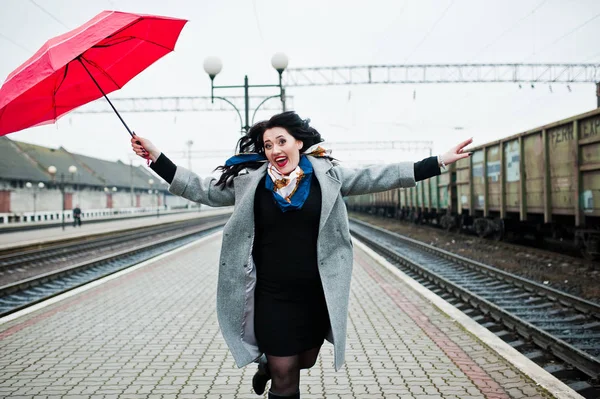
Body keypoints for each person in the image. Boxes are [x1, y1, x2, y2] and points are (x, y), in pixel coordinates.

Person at [131, 111, 472, 399]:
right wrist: (156, 157)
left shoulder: (328, 176)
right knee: (285, 372)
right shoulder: (250, 181)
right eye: (267, 145)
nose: (274, 149)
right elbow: (201, 189)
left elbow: (377, 176)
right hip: (270, 294)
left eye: (281, 141)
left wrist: (437, 162)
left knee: (305, 359)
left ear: (298, 143)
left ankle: (266, 361)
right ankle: (272, 364)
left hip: (315, 293)